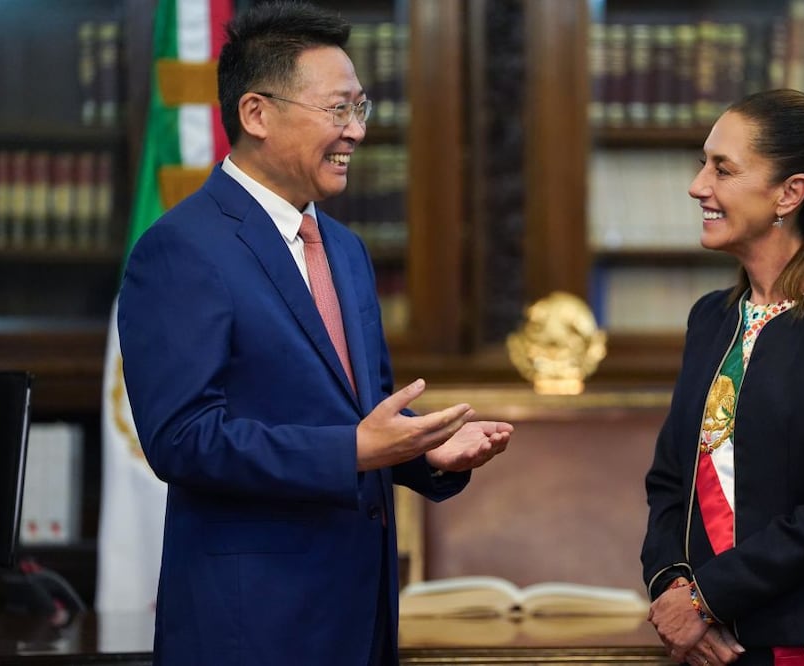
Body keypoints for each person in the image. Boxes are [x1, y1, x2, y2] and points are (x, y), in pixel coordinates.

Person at [117, 3, 512, 665]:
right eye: (337, 110)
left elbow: (355, 413)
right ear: (256, 114)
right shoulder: (181, 250)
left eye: (361, 108)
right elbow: (183, 441)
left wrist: (424, 449)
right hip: (253, 625)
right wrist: (353, 449)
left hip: (360, 616)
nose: (355, 132)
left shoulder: (344, 249)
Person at [641, 88, 804, 666]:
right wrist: (674, 591)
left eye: (723, 169)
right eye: (702, 163)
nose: (698, 186)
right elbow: (669, 483)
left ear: (790, 192)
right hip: (708, 643)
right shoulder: (710, 318)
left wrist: (705, 600)